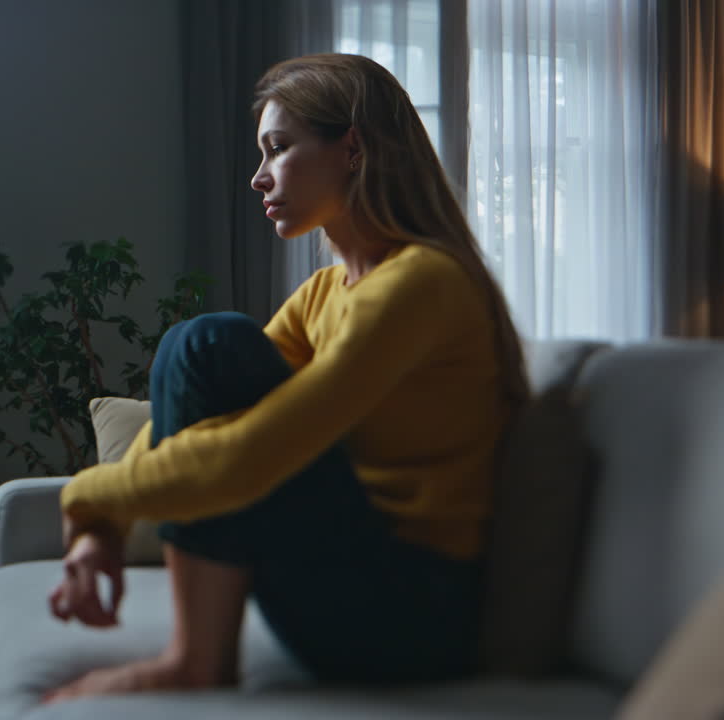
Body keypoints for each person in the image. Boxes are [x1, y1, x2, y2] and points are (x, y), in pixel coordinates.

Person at [40, 53, 529, 704]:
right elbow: (197, 418)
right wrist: (99, 530)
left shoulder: (422, 282)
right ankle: (196, 658)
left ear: (351, 148)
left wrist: (89, 494)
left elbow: (250, 457)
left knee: (210, 337)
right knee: (208, 343)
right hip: (348, 586)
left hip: (412, 617)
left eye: (277, 149)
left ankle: (193, 662)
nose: (257, 177)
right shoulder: (326, 292)